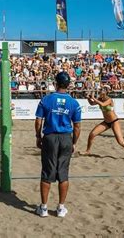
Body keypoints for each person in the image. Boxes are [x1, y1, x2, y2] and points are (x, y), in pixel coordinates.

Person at [34, 72, 81, 218]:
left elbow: (38, 121)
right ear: (68, 85)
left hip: (50, 137)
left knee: (47, 173)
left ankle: (44, 208)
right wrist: (73, 142)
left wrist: (38, 136)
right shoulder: (74, 103)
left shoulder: (46, 100)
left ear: (56, 83)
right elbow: (78, 127)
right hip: (66, 138)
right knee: (63, 173)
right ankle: (61, 208)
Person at [80, 85, 124, 160]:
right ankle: (87, 151)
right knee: (92, 134)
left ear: (106, 92)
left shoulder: (109, 99)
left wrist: (93, 98)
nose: (99, 91)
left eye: (101, 90)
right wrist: (88, 98)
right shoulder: (100, 98)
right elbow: (92, 104)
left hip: (114, 122)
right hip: (106, 122)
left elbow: (102, 104)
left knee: (121, 142)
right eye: (100, 90)